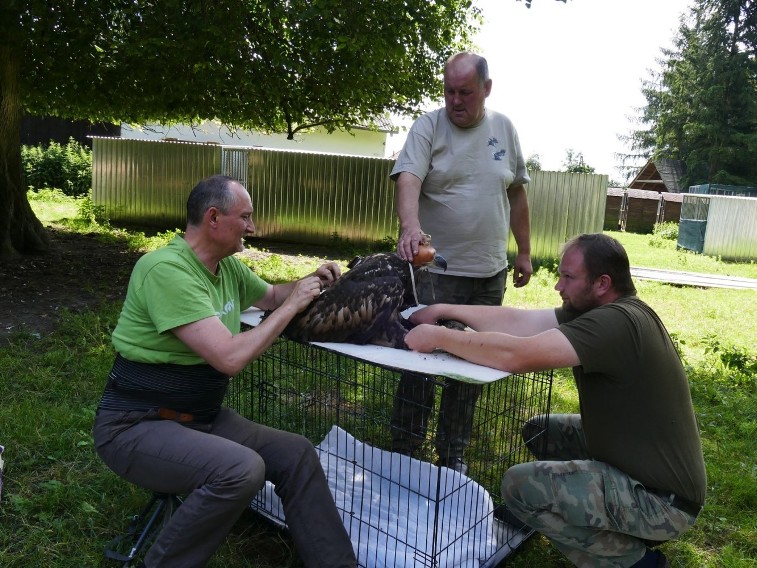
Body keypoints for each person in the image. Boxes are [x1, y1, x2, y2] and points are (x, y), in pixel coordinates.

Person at [93, 175, 357, 568]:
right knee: (240, 470)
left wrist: (310, 281)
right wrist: (289, 309)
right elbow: (229, 358)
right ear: (214, 217)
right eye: (245, 217)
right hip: (135, 425)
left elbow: (269, 296)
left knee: (296, 453)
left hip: (199, 418)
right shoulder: (165, 270)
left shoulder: (226, 268)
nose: (252, 227)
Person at [403, 233, 706, 568]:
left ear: (602, 283)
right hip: (641, 467)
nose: (558, 287)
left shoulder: (614, 323)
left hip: (663, 504)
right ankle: (589, 509)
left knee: (517, 486)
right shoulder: (601, 311)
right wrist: (442, 310)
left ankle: (636, 560)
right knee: (540, 432)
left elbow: (515, 355)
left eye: (568, 277)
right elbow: (520, 323)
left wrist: (439, 337)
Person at [390, 51, 532, 474]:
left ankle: (452, 454)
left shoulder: (504, 129)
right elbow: (408, 178)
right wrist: (410, 226)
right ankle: (405, 452)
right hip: (436, 275)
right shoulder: (428, 127)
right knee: (421, 362)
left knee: (473, 363)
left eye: (465, 92)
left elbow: (518, 192)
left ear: (486, 89)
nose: (455, 100)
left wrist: (522, 251)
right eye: (449, 91)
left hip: (489, 275)